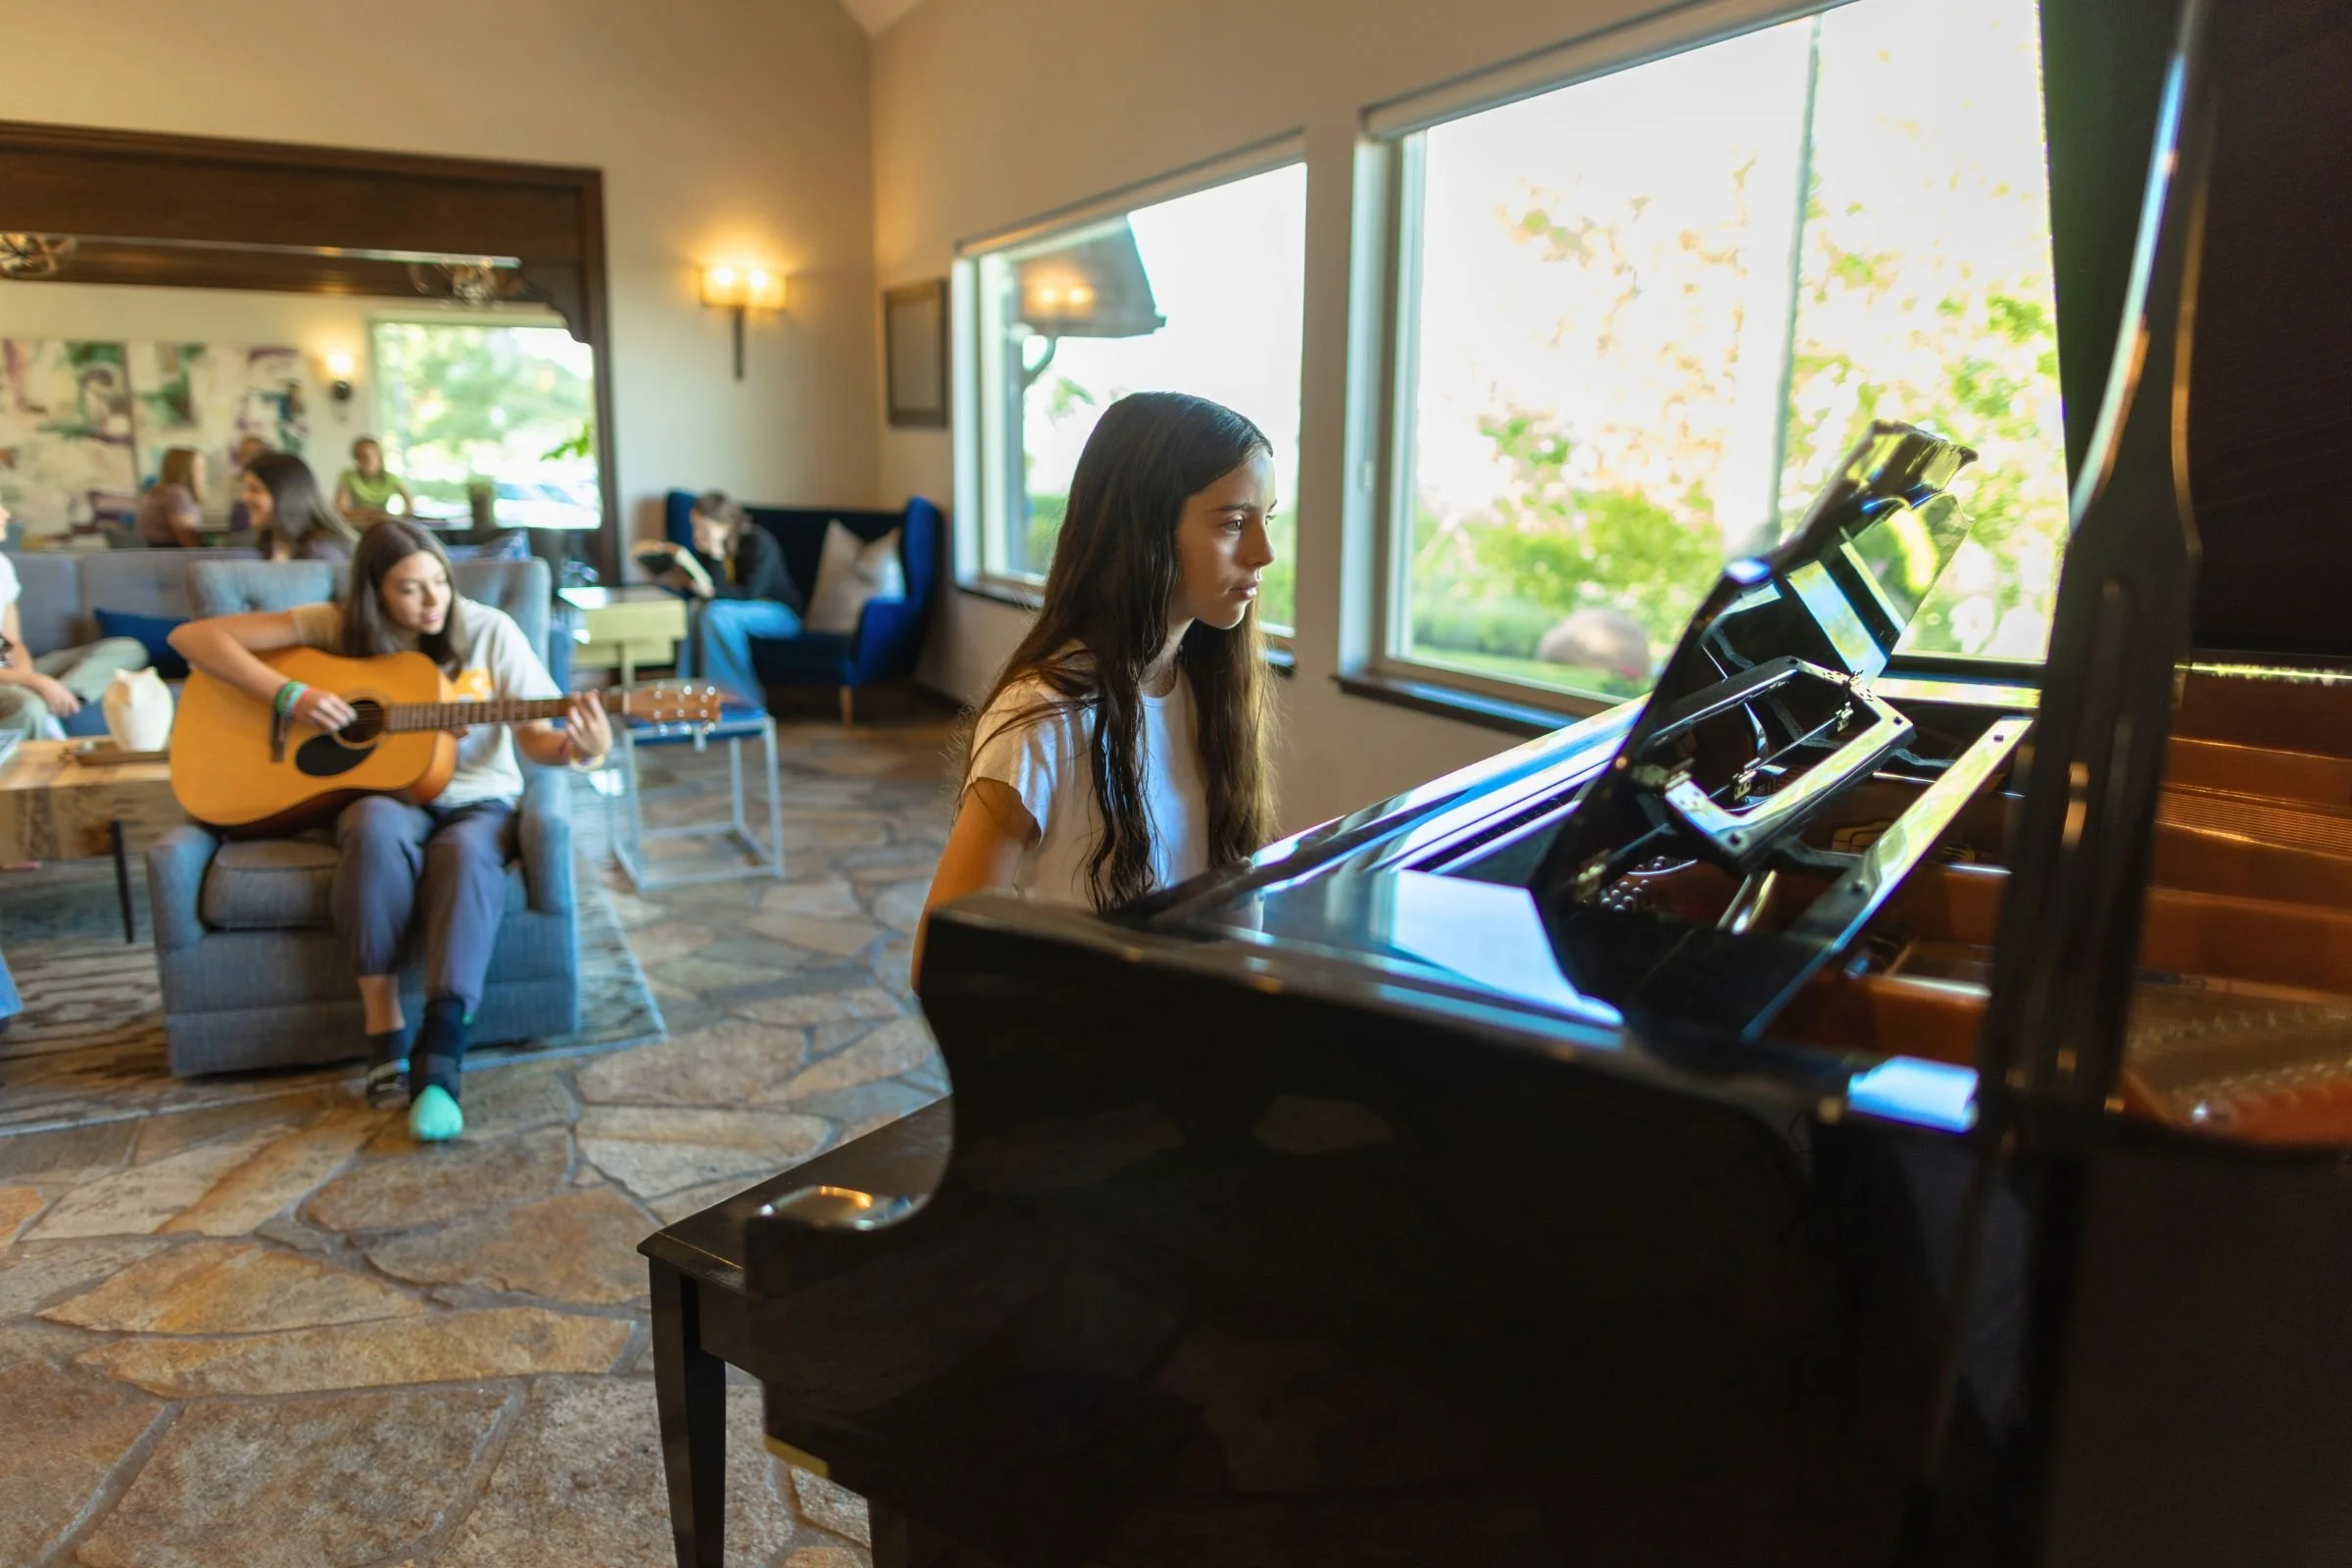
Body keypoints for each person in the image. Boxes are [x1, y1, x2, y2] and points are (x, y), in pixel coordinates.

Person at [170, 518, 612, 1142]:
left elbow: (539, 735)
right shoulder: (338, 626)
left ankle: (441, 1052)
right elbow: (194, 638)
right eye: (411, 589)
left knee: (466, 858)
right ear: (376, 593)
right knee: (373, 829)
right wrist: (289, 695)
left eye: (440, 582)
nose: (433, 601)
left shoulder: (489, 630)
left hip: (477, 801)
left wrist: (578, 748)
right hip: (383, 794)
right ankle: (384, 1033)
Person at [913, 391, 1279, 979]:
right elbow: (941, 961)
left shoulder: (1212, 692)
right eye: (1234, 523)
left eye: (1268, 518)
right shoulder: (1042, 716)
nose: (1264, 552)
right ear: (1144, 528)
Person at [0, 502, 152, 742]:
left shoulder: (3, 567)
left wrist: (30, 679)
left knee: (129, 650)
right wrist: (32, 681)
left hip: (9, 675)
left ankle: (59, 700)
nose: (7, 514)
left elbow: (11, 642)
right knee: (26, 706)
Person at [647, 491, 802, 708]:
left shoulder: (758, 542)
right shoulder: (709, 551)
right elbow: (712, 591)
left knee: (715, 613)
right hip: (737, 612)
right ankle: (692, 693)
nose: (697, 534)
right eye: (695, 527)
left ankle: (740, 700)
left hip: (780, 613)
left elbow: (749, 593)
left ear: (726, 526)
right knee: (695, 608)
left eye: (704, 528)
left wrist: (710, 586)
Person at [242, 452, 361, 563]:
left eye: (255, 490)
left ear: (287, 496)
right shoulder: (273, 541)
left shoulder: (319, 553)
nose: (244, 497)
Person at [134, 447, 206, 548]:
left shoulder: (160, 491)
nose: (203, 474)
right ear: (185, 470)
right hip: (169, 554)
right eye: (199, 468)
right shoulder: (176, 494)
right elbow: (186, 538)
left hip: (154, 553)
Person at [334, 436, 415, 525]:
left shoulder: (391, 479)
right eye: (357, 456)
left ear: (379, 457)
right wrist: (370, 513)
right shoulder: (348, 476)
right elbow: (341, 509)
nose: (360, 460)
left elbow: (410, 504)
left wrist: (400, 519)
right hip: (356, 525)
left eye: (365, 456)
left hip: (383, 524)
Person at [225, 436, 270, 534]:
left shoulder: (269, 481)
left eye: (248, 452)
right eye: (241, 453)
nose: (242, 457)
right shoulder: (234, 481)